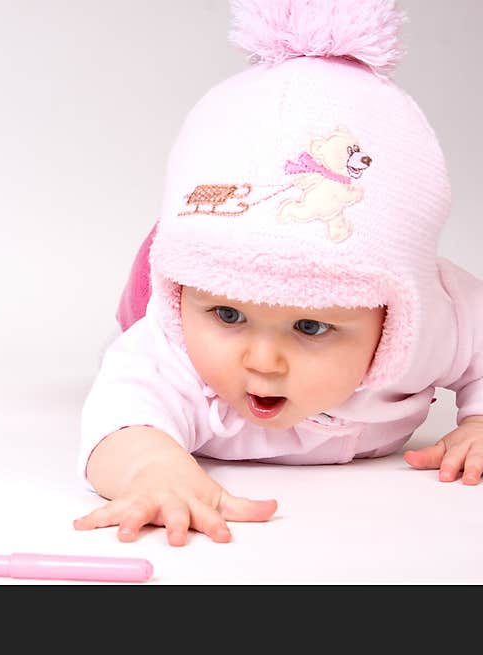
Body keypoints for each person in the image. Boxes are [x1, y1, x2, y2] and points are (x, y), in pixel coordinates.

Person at [73, 0, 483, 547]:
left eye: (310, 327)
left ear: (394, 317)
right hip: (184, 266)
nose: (261, 361)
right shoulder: (175, 350)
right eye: (228, 314)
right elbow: (120, 417)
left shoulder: (435, 316)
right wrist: (153, 469)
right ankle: (173, 265)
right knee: (145, 315)